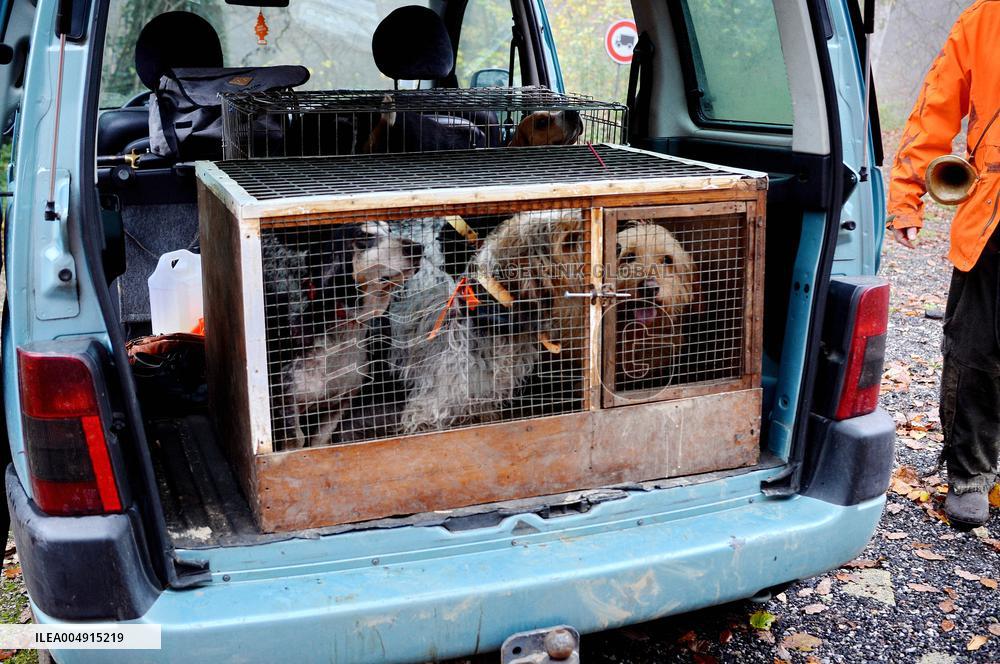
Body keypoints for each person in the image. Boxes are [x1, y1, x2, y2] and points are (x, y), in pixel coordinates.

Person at [887, 0, 1000, 527]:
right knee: (974, 350)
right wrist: (907, 195)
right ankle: (971, 473)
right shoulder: (985, 19)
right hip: (992, 216)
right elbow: (935, 106)